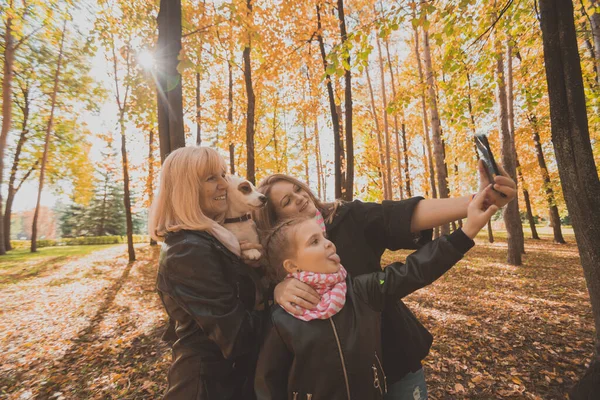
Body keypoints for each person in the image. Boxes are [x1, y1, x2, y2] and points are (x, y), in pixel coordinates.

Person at [252, 162, 516, 400]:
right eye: (287, 200)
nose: (300, 198)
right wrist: (278, 288)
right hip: (337, 385)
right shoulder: (279, 297)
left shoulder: (348, 220)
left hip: (394, 354)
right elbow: (269, 375)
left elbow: (403, 223)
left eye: (298, 189)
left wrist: (478, 201)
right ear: (276, 223)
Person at [149, 146, 264, 400]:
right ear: (186, 189)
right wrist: (284, 302)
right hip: (209, 386)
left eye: (223, 175)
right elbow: (236, 335)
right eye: (212, 178)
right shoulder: (187, 250)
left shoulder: (212, 239)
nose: (224, 184)